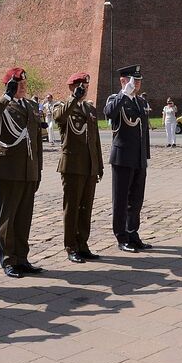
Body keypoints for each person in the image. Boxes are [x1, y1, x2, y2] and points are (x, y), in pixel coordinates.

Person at [0, 67, 44, 278]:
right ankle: (9, 260)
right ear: (9, 85)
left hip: (28, 169)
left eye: (24, 85)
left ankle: (22, 257)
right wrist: (6, 96)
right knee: (7, 218)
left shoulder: (31, 106)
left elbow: (37, 141)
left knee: (23, 217)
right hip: (8, 170)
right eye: (18, 85)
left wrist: (38, 169)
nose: (22, 88)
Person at [54, 72, 104, 263]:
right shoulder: (63, 106)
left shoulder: (90, 109)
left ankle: (83, 243)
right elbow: (59, 118)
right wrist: (74, 98)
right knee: (72, 208)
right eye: (80, 86)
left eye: (86, 87)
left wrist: (98, 165)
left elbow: (95, 140)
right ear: (71, 87)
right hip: (73, 166)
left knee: (86, 208)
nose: (84, 90)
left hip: (89, 166)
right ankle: (71, 246)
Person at [104, 64, 152, 252]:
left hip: (138, 157)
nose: (137, 83)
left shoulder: (140, 102)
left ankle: (133, 233)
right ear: (123, 80)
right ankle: (121, 236)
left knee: (136, 199)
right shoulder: (116, 99)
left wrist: (145, 155)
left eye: (139, 80)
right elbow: (109, 113)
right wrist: (124, 93)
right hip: (122, 157)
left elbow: (143, 131)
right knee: (121, 200)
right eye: (134, 80)